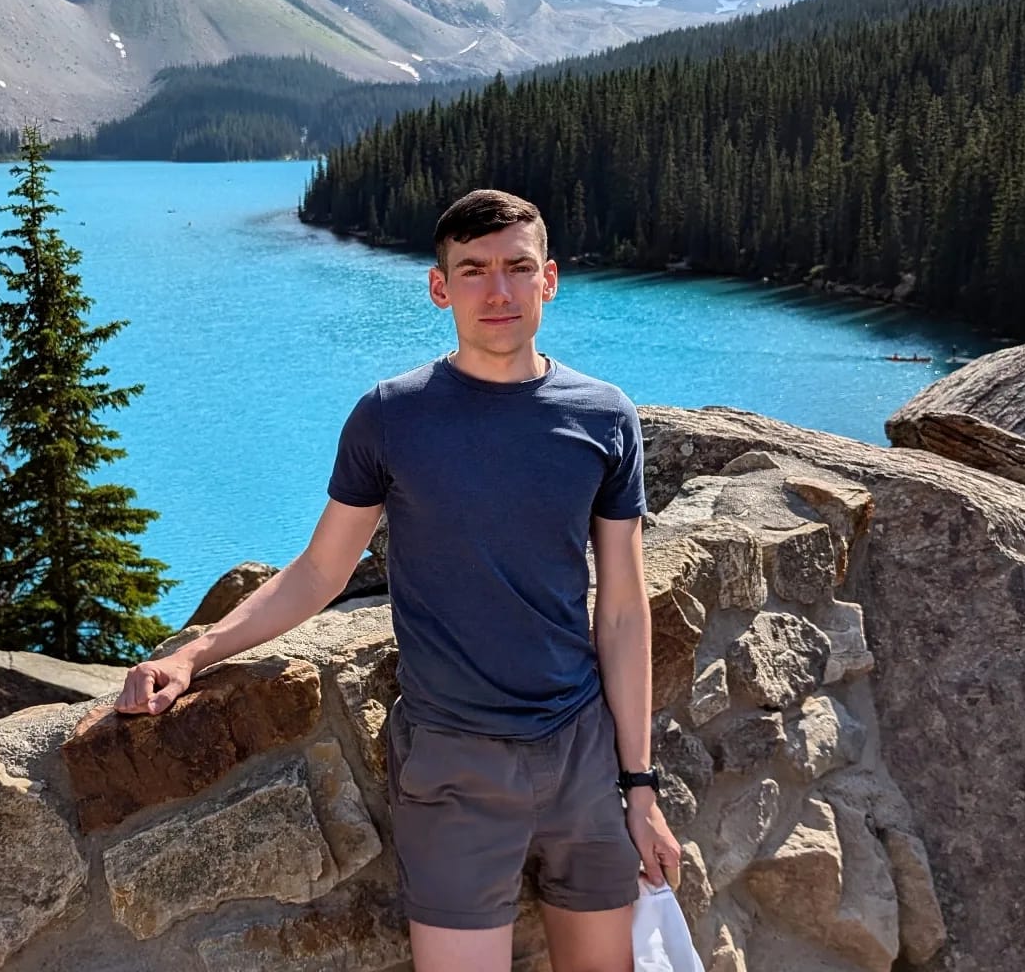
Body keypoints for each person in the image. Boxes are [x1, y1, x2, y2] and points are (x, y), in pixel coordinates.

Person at [115, 188, 680, 972]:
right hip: (452, 762)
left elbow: (621, 609)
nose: (499, 291)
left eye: (518, 268)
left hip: (583, 757)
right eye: (474, 271)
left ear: (549, 279)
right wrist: (192, 655)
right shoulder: (392, 418)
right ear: (439, 287)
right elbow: (319, 571)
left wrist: (639, 788)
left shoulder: (604, 417)